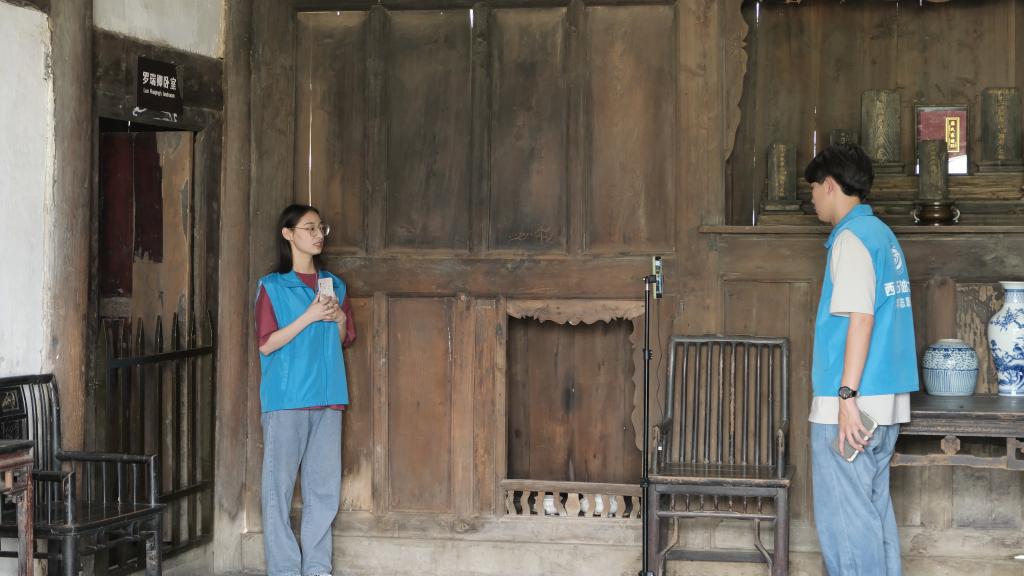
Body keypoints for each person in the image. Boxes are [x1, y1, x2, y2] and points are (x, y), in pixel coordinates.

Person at [805, 144, 918, 575]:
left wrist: (846, 397)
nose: (812, 197)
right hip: (884, 401)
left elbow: (861, 318)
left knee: (848, 527)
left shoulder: (851, 239)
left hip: (854, 405)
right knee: (873, 513)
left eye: (814, 188)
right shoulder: (882, 235)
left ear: (830, 185)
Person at [255, 203, 356, 576]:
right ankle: (284, 570)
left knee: (323, 491)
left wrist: (339, 317)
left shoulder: (335, 285)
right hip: (288, 398)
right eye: (309, 228)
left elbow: (342, 339)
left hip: (329, 397)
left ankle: (316, 568)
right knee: (277, 490)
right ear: (288, 234)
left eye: (321, 228)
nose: (317, 235)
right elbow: (267, 343)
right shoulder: (272, 287)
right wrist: (309, 315)